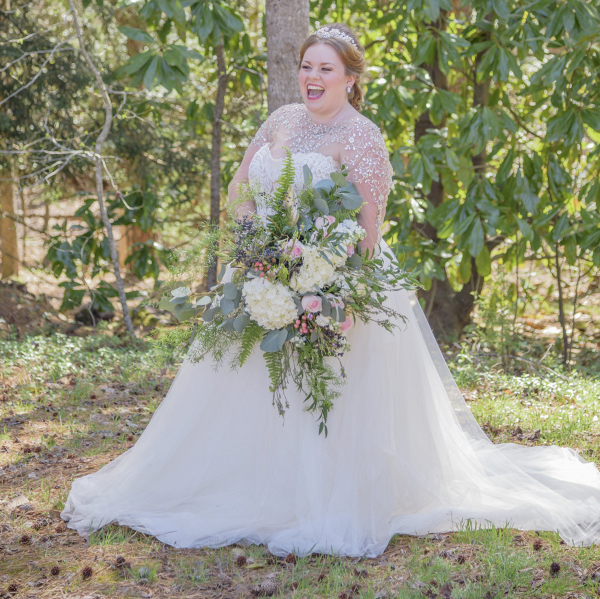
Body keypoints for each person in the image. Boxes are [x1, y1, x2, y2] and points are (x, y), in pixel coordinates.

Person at [62, 24, 600, 557]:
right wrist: (259, 252)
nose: (312, 77)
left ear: (349, 79)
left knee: (329, 391)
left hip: (337, 278)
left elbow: (370, 225)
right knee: (251, 384)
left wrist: (321, 279)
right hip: (260, 269)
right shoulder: (280, 120)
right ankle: (250, 481)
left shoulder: (360, 134)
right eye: (306, 67)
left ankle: (322, 491)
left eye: (325, 68)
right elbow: (240, 189)